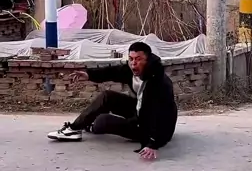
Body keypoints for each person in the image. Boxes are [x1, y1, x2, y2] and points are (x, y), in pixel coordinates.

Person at [47, 42, 177, 161]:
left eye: (138, 59)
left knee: (102, 121)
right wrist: (89, 74)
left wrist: (153, 143)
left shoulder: (160, 83)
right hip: (141, 112)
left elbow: (161, 113)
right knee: (107, 96)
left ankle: (93, 126)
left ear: (147, 61)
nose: (133, 64)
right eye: (131, 59)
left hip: (158, 127)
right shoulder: (130, 71)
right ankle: (74, 129)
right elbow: (111, 72)